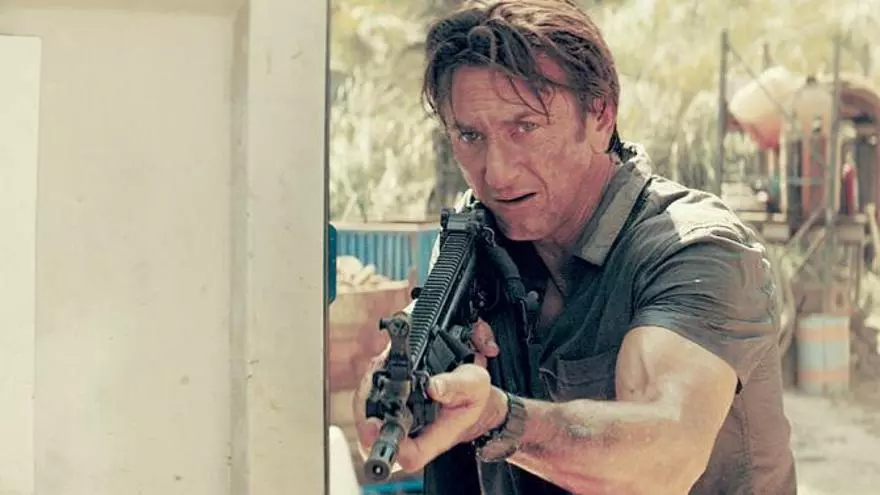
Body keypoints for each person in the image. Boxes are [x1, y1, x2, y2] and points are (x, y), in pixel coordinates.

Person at [353, 0, 798, 493]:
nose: (496, 173)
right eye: (470, 135)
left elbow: (665, 457)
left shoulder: (697, 250)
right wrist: (398, 384)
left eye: (524, 128)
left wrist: (498, 419)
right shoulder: (475, 237)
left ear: (600, 115)